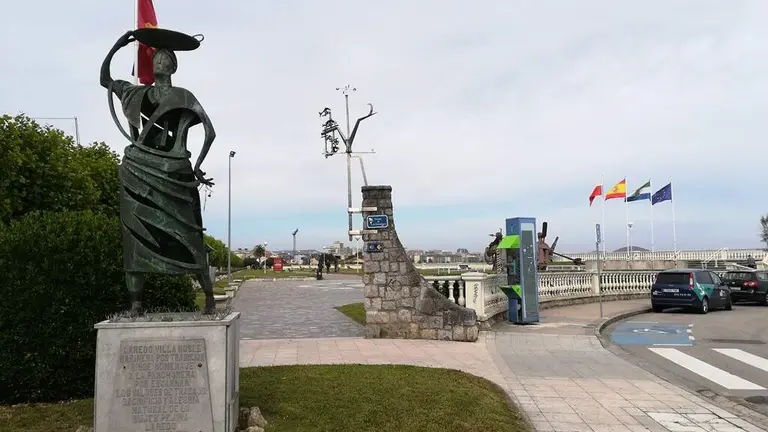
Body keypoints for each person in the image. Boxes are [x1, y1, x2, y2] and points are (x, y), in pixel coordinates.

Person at [100, 30, 217, 314]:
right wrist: (119, 43)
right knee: (135, 236)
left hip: (175, 173)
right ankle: (136, 304)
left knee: (190, 235)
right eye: (157, 58)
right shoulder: (135, 93)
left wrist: (197, 166)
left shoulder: (183, 96)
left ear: (174, 66)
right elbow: (105, 79)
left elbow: (210, 132)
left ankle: (210, 297)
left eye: (165, 59)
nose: (160, 62)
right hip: (137, 169)